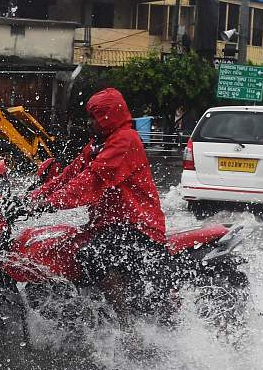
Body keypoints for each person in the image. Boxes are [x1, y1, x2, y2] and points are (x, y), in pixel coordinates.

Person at [28, 88, 166, 314]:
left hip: (138, 227)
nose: (90, 122)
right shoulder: (98, 144)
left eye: (95, 117)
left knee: (92, 255)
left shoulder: (125, 141)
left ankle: (124, 325)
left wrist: (50, 203)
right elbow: (71, 174)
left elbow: (91, 179)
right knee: (56, 248)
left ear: (108, 116)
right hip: (108, 225)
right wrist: (31, 197)